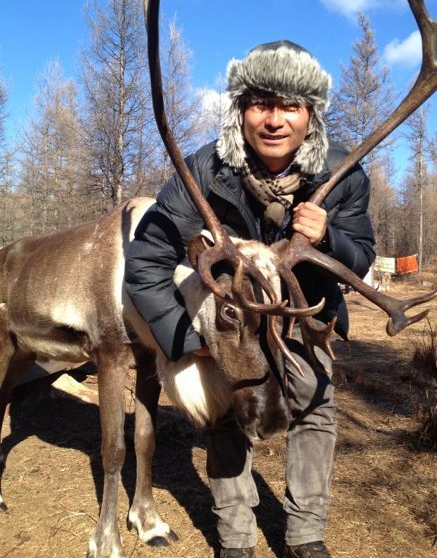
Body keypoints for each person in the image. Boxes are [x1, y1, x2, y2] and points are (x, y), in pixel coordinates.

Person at [125, 40, 375, 558]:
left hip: (303, 320)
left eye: (291, 106)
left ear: (311, 115)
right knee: (225, 414)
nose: (275, 120)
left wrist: (329, 237)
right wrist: (185, 338)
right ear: (241, 109)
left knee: (316, 406)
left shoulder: (341, 174)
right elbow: (144, 261)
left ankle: (306, 536)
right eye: (261, 103)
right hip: (231, 324)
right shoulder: (203, 172)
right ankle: (236, 540)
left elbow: (362, 259)